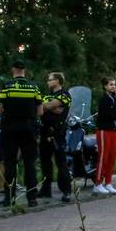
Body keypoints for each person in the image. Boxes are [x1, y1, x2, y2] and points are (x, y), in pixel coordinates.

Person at [0, 60, 44, 207]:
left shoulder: (7, 86)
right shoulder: (33, 87)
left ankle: (9, 198)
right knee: (30, 163)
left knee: (10, 162)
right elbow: (41, 111)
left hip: (10, 128)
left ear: (13, 69)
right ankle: (32, 198)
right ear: (24, 70)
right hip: (28, 128)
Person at [39, 72, 73, 202]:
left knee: (61, 163)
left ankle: (66, 191)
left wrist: (48, 107)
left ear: (58, 81)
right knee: (45, 163)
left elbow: (47, 106)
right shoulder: (48, 95)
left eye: (50, 79)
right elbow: (42, 107)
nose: (48, 81)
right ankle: (45, 190)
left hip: (57, 133)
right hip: (44, 132)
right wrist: (50, 107)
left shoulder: (64, 95)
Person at [93, 76, 116, 195]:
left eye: (114, 84)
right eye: (111, 84)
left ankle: (108, 182)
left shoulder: (113, 98)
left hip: (114, 130)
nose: (113, 86)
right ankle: (98, 183)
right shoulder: (104, 99)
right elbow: (109, 114)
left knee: (112, 156)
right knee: (103, 157)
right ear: (105, 86)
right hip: (104, 131)